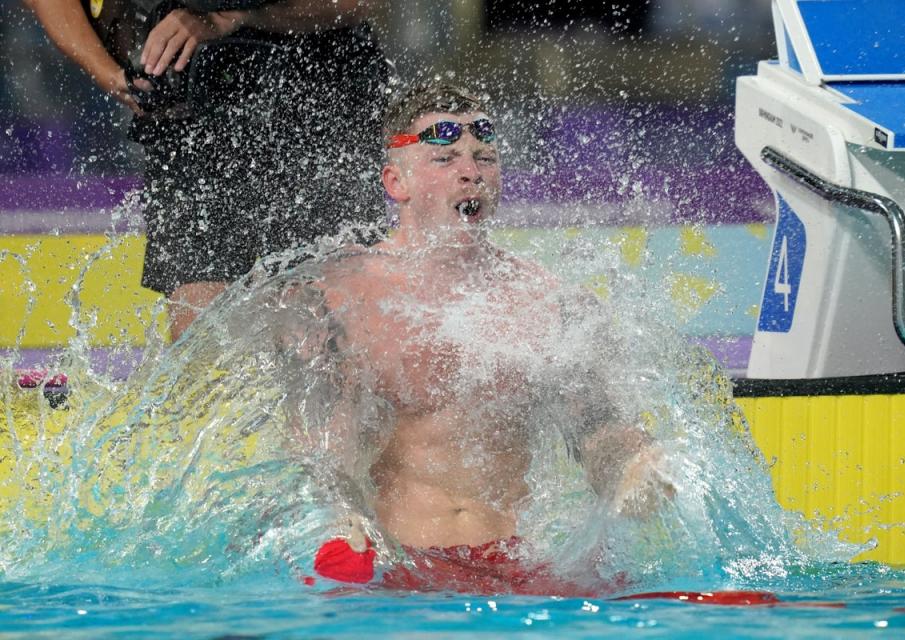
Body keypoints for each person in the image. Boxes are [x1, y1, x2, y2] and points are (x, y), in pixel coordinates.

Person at [280, 83, 672, 595]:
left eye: (485, 157)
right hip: (399, 566)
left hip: (518, 566)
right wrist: (339, 519)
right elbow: (321, 453)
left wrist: (632, 468)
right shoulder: (338, 298)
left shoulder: (548, 301)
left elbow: (597, 429)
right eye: (445, 159)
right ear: (396, 182)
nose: (472, 171)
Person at [24, 0, 391, 341]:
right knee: (199, 325)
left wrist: (230, 16)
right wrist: (112, 76)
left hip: (317, 103)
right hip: (189, 117)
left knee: (324, 328)